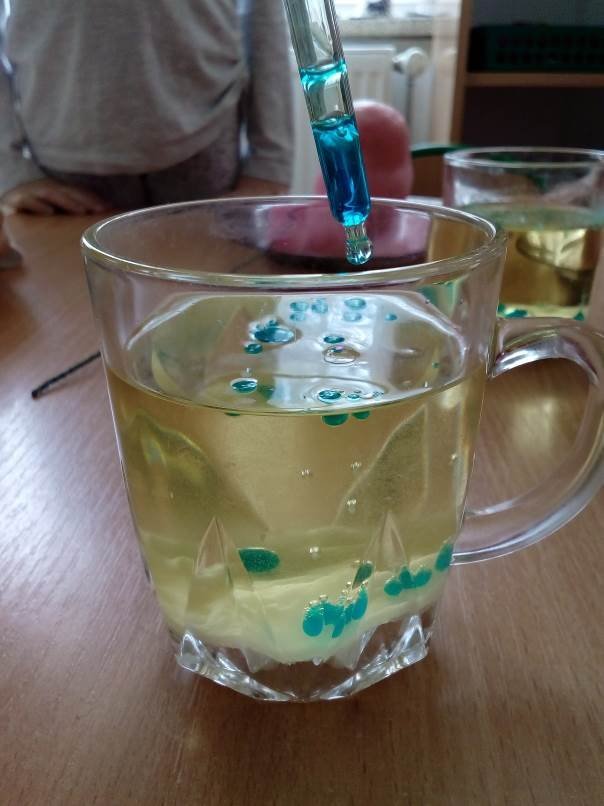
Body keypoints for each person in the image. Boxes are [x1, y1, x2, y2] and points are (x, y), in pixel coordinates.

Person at [0, 0, 293, 215]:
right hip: (65, 170)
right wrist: (9, 171)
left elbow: (264, 11)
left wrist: (270, 163)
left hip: (205, 147)